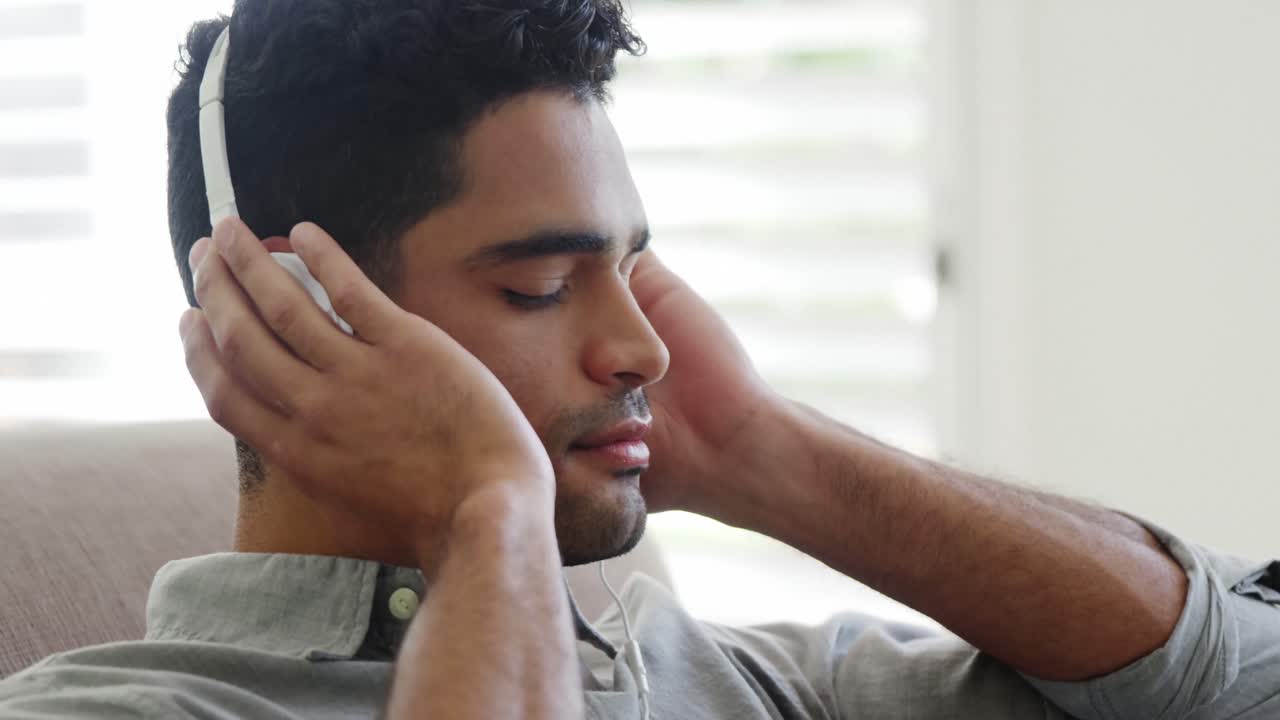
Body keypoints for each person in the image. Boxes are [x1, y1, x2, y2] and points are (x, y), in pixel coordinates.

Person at [2, 1, 1277, 718]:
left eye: (632, 268)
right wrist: (482, 515)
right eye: (542, 284)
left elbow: (1241, 682)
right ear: (290, 310)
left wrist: (765, 455)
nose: (641, 343)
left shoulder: (736, 683)